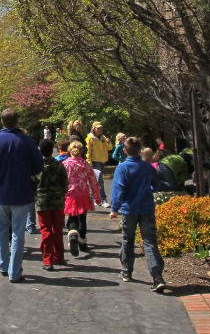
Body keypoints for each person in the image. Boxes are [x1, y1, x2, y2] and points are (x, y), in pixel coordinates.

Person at [0, 108, 43, 283]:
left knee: (1, 229)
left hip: (0, 192)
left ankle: (3, 264)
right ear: (17, 122)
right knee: (17, 233)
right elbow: (39, 166)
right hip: (22, 193)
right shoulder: (27, 141)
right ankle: (15, 271)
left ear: (2, 122)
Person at [110, 137, 167, 292]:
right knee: (149, 242)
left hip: (129, 209)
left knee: (128, 239)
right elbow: (157, 184)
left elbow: (118, 189)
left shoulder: (122, 168)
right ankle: (157, 276)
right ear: (140, 149)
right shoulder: (147, 167)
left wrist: (114, 208)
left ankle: (126, 271)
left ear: (125, 150)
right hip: (146, 207)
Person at [34, 138, 68, 271]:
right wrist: (62, 194)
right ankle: (59, 255)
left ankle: (47, 259)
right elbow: (65, 183)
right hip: (58, 201)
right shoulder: (59, 165)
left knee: (45, 230)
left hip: (42, 201)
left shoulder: (37, 166)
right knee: (57, 229)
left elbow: (32, 183)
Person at [62, 140, 98, 256]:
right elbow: (93, 181)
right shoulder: (86, 165)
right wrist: (97, 197)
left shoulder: (65, 164)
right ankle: (82, 241)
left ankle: (72, 234)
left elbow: (61, 180)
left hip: (70, 194)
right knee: (82, 218)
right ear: (82, 151)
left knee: (72, 217)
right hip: (83, 193)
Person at [86, 121, 112, 204]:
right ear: (94, 128)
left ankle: (92, 199)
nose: (100, 130)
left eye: (101, 128)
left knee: (96, 181)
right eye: (98, 128)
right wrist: (89, 163)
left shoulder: (103, 137)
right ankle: (103, 199)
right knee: (100, 180)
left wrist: (108, 142)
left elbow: (109, 148)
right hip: (94, 161)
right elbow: (88, 151)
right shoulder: (90, 138)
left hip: (102, 161)